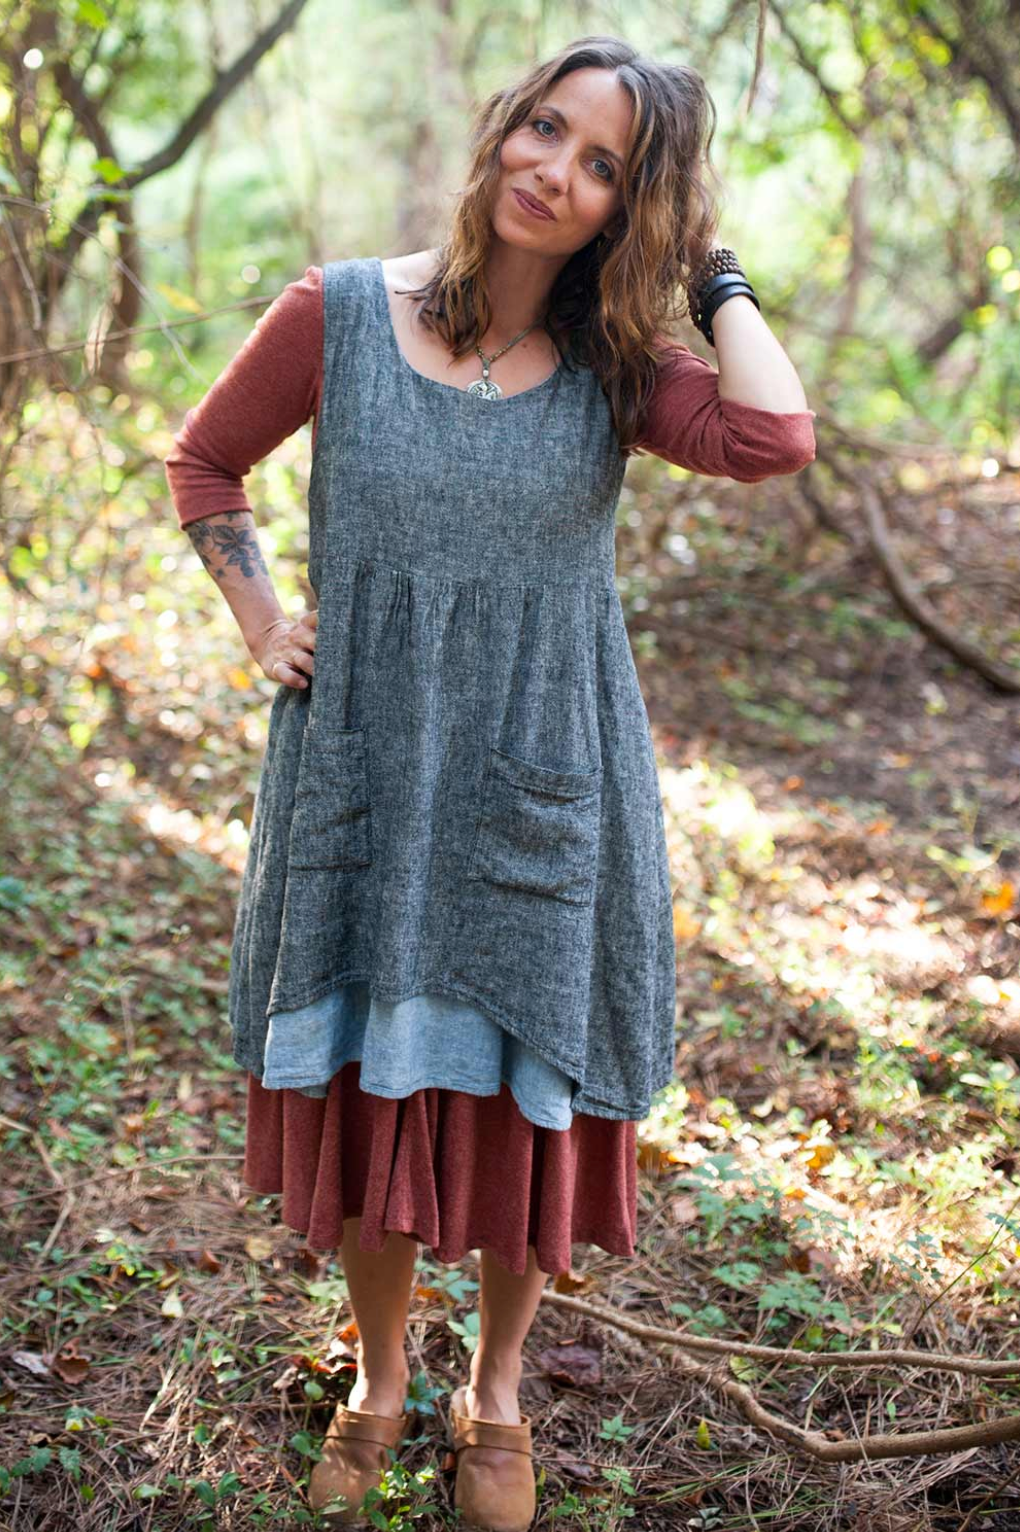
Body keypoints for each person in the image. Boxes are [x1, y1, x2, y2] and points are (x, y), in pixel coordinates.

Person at [164, 33, 815, 1531]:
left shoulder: (618, 368)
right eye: (546, 129)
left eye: (603, 167)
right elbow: (207, 466)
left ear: (624, 212)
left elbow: (775, 433)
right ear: (499, 126)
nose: (554, 172)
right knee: (368, 1070)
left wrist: (709, 274)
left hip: (545, 769)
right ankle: (384, 1376)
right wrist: (262, 617)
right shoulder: (332, 313)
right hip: (371, 773)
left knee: (528, 1095)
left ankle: (497, 1395)